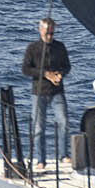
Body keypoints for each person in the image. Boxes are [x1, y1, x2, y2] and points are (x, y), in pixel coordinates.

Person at [21, 17, 71, 168]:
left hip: (57, 91)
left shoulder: (60, 47)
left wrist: (60, 74)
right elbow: (26, 69)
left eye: (52, 33)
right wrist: (45, 74)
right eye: (47, 33)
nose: (49, 36)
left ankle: (64, 155)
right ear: (40, 30)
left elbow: (67, 66)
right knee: (38, 128)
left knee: (64, 122)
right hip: (39, 92)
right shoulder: (33, 48)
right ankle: (41, 159)